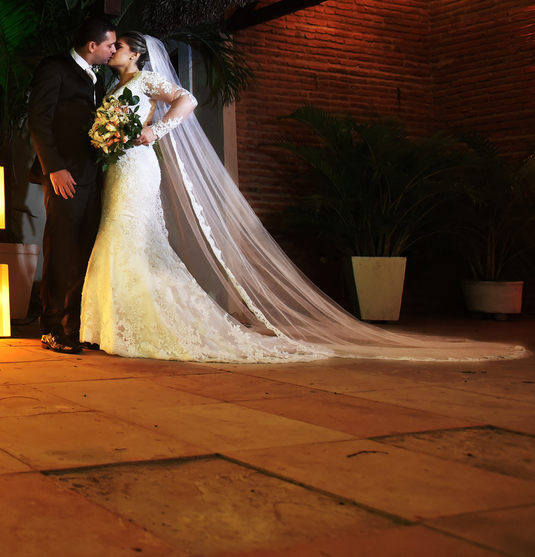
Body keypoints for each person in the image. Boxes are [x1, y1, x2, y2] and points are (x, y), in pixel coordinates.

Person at [79, 32, 527, 363]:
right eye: (111, 46)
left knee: (130, 234)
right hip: (119, 168)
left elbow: (188, 100)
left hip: (140, 166)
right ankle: (114, 323)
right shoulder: (114, 88)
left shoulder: (147, 79)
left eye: (117, 46)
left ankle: (136, 325)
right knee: (122, 235)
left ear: (135, 53)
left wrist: (158, 129)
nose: (112, 49)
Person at [27, 16, 116, 353]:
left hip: (94, 176)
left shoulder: (99, 79)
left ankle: (74, 326)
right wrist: (55, 169)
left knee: (83, 253)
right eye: (109, 44)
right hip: (64, 176)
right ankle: (50, 327)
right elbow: (38, 120)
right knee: (61, 249)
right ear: (92, 45)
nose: (112, 50)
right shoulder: (55, 67)